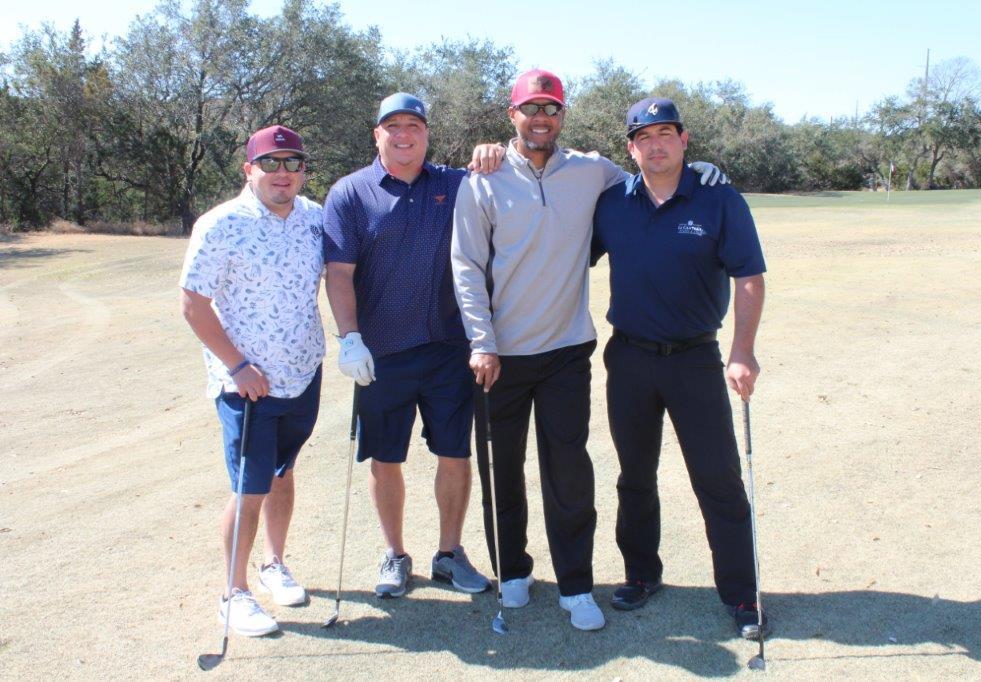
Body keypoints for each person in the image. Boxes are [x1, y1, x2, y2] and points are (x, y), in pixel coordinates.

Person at [451, 70, 727, 632]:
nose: (541, 118)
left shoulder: (592, 170)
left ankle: (576, 585)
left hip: (566, 352)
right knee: (502, 471)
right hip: (499, 356)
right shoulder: (482, 178)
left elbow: (652, 176)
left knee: (570, 475)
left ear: (562, 116)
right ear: (512, 116)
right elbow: (467, 265)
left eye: (551, 108)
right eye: (531, 108)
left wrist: (697, 168)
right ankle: (512, 571)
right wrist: (481, 341)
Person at [591, 97, 769, 639]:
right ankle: (641, 573)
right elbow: (563, 252)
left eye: (665, 134)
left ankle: (741, 594)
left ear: (684, 140)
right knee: (635, 476)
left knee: (718, 478)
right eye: (644, 137)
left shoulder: (718, 198)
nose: (656, 145)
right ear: (631, 148)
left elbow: (749, 277)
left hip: (694, 359)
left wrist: (742, 351)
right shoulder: (612, 203)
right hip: (629, 358)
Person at [322, 93, 504, 598]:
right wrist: (350, 338)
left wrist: (496, 151)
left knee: (455, 453)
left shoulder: (455, 183)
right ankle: (395, 554)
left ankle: (448, 554)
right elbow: (339, 273)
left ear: (426, 134)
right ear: (376, 135)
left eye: (414, 126)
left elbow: (513, 177)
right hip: (382, 353)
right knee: (385, 458)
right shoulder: (350, 193)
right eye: (393, 126)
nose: (404, 135)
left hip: (449, 348)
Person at [180, 125, 324, 637]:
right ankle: (234, 592)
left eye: (292, 163)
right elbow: (193, 304)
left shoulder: (315, 218)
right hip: (246, 385)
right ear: (249, 169)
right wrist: (238, 367)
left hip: (302, 373)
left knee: (283, 472)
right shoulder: (220, 224)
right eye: (270, 163)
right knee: (249, 487)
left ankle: (273, 564)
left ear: (303, 170)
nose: (282, 173)